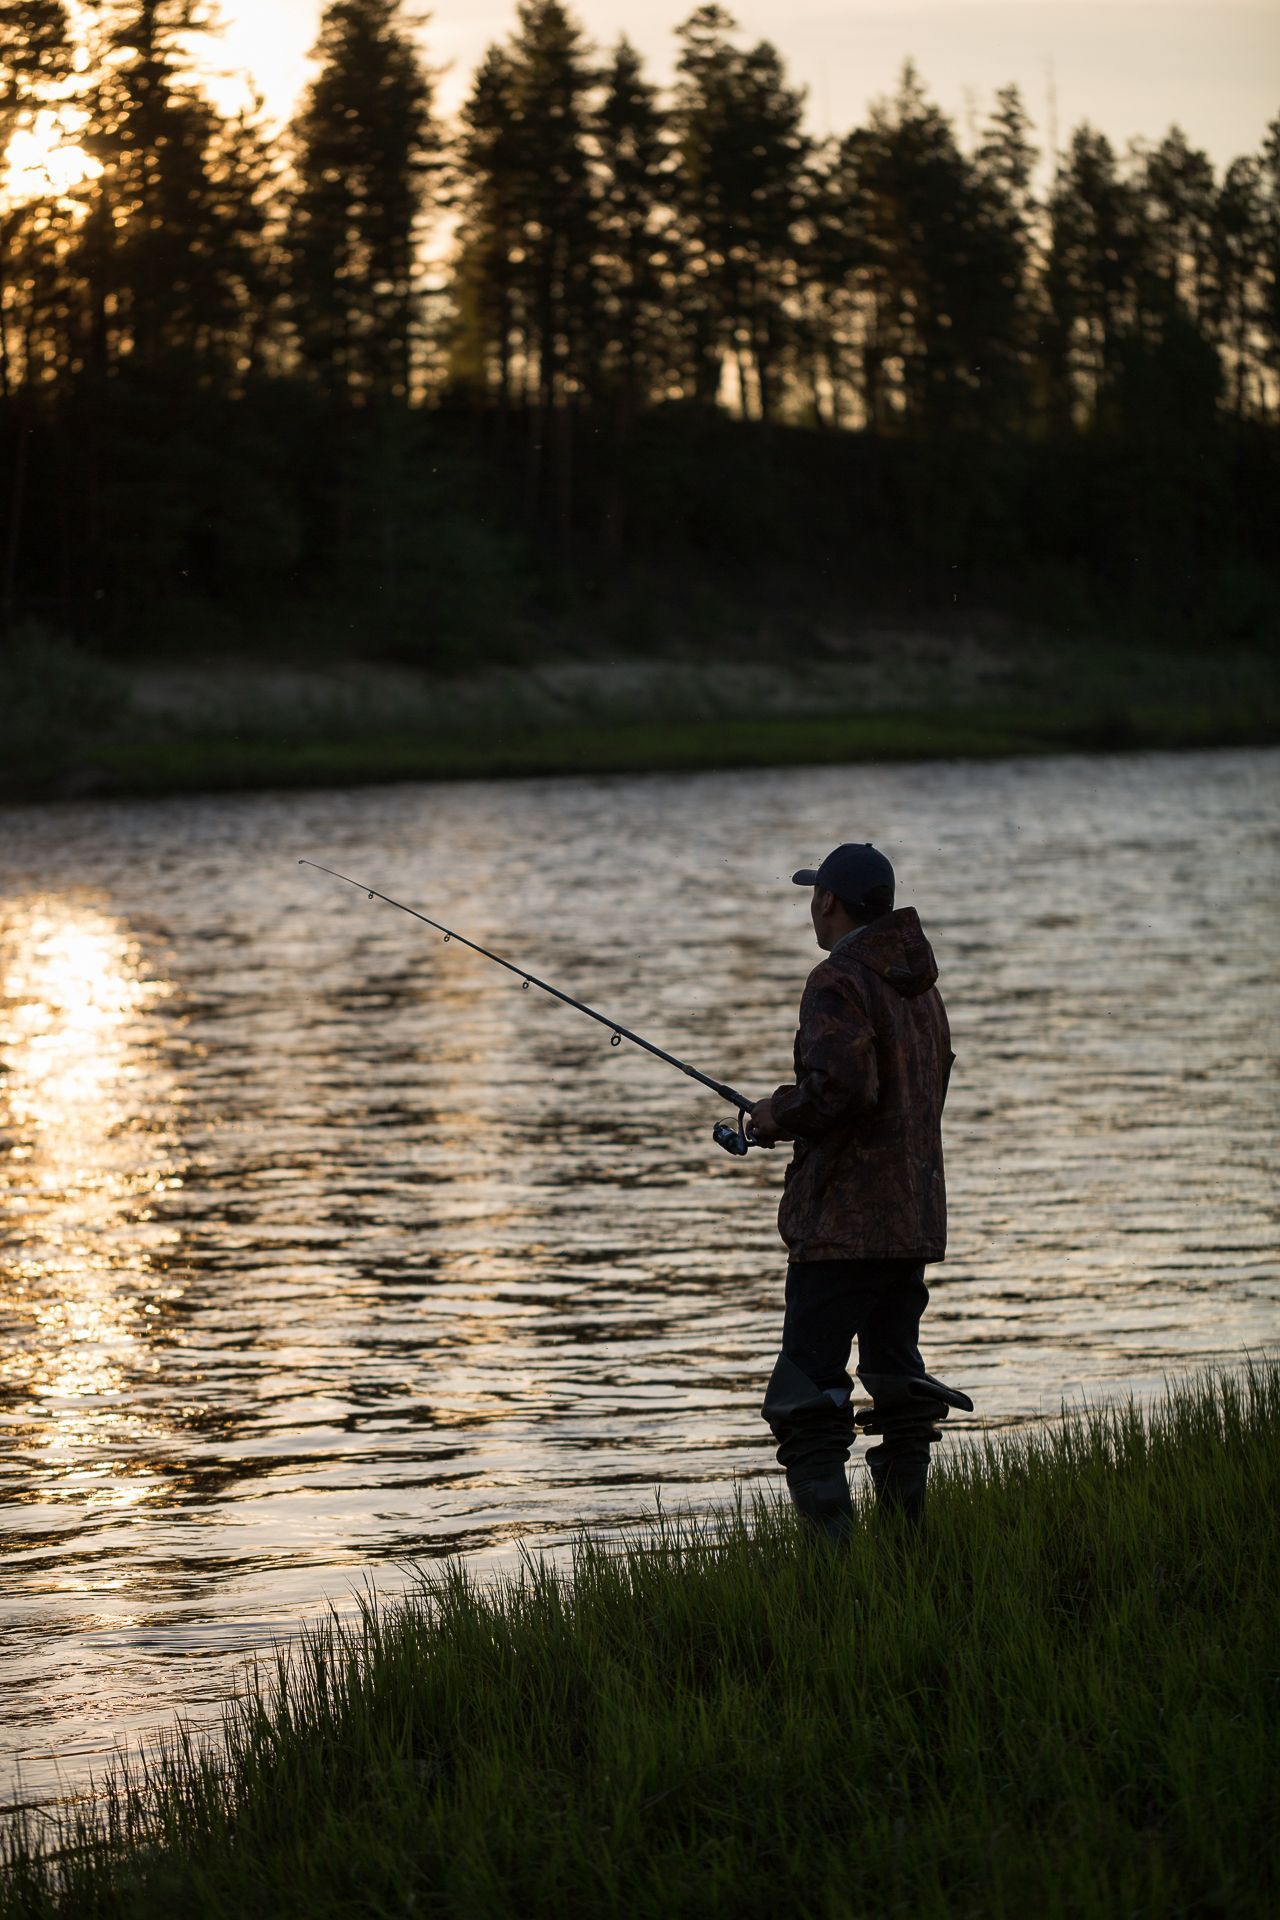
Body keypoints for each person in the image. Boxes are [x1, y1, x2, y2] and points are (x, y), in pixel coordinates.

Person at [749, 842, 972, 1541]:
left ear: (828, 901)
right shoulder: (918, 985)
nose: (813, 909)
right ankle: (907, 1550)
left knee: (806, 1393)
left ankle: (835, 1570)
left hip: (843, 1228)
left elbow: (841, 1091)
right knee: (898, 1384)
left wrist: (774, 1115)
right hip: (911, 1222)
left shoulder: (838, 979)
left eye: (816, 897)